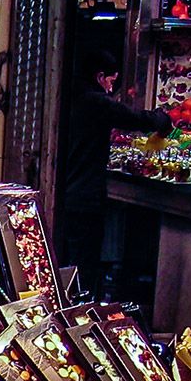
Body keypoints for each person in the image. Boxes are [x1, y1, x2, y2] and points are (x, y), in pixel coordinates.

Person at [58, 48, 172, 300]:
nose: (111, 87)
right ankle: (80, 311)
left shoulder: (65, 95)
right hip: (83, 196)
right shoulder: (95, 101)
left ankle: (64, 307)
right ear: (100, 77)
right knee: (83, 263)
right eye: (111, 80)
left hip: (64, 194)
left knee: (64, 259)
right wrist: (161, 119)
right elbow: (133, 118)